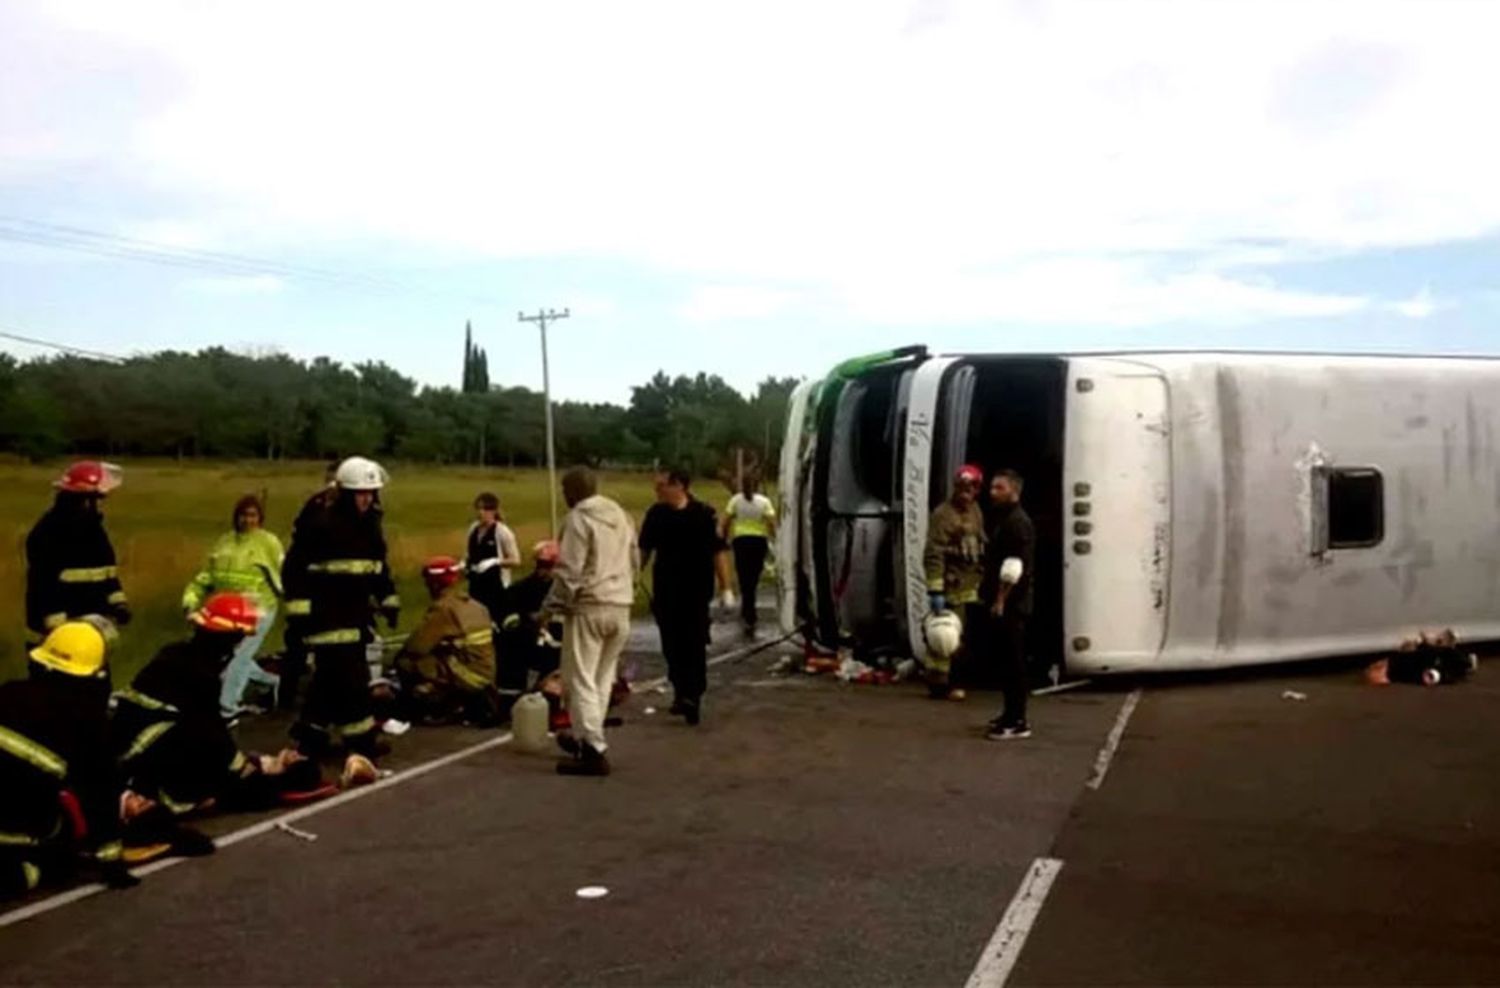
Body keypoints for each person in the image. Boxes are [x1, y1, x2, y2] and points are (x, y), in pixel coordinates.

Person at [113, 593, 324, 856]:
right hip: (147, 758)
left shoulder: (178, 655)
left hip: (138, 748)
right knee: (225, 770)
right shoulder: (199, 672)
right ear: (228, 638)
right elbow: (208, 730)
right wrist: (244, 770)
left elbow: (209, 733)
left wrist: (249, 765)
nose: (239, 645)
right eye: (239, 638)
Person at [0, 619, 138, 896]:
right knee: (60, 858)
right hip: (13, 829)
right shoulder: (86, 724)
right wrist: (111, 862)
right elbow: (99, 796)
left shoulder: (8, 692)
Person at [281, 456, 399, 776]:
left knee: (329, 679)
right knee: (352, 679)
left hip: (355, 614)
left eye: (372, 493)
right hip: (325, 617)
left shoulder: (370, 525)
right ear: (346, 493)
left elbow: (377, 566)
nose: (368, 499)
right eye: (361, 493)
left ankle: (310, 737)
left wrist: (388, 599)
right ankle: (361, 743)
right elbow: (294, 569)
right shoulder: (321, 523)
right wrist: (300, 613)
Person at [544, 467, 638, 777]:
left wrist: (549, 607)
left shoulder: (579, 519)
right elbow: (634, 559)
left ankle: (593, 749)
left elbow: (570, 569)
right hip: (620, 604)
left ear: (572, 491)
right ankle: (587, 737)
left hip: (589, 606)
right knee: (601, 678)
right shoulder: (621, 515)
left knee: (579, 678)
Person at [181, 494, 285, 721]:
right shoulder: (224, 541)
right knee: (227, 655)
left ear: (260, 518)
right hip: (226, 612)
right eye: (243, 515)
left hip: (257, 610)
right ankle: (273, 682)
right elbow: (206, 576)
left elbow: (284, 574)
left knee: (238, 654)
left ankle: (227, 708)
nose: (248, 520)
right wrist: (190, 601)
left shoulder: (268, 542)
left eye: (253, 515)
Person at [638, 468, 723, 726]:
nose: (658, 490)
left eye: (662, 485)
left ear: (679, 486)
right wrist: (632, 575)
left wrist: (726, 586)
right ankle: (680, 690)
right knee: (671, 644)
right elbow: (645, 550)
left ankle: (693, 695)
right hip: (666, 589)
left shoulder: (704, 514)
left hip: (696, 590)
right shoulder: (656, 515)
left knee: (694, 643)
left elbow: (717, 552)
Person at [25, 462, 131, 646]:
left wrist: (118, 605)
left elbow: (108, 573)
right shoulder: (49, 532)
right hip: (58, 631)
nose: (101, 505)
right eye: (98, 500)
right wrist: (58, 624)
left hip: (93, 628)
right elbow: (43, 584)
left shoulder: (94, 531)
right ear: (83, 501)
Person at [391, 557, 502, 727]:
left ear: (434, 584)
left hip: (468, 676)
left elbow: (416, 647)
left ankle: (432, 706)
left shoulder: (443, 609)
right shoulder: (477, 606)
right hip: (485, 674)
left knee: (406, 662)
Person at [276, 461, 341, 711]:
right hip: (305, 590)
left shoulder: (356, 510)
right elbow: (298, 546)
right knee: (296, 647)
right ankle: (286, 698)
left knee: (332, 649)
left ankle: (325, 697)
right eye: (330, 479)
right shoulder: (314, 506)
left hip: (332, 592)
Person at [922, 464, 988, 700]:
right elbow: (933, 553)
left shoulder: (975, 511)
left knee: (966, 638)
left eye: (970, 487)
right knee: (945, 636)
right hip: (951, 587)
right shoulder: (943, 514)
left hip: (973, 585)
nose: (965, 492)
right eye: (961, 487)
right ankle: (939, 683)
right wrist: (935, 588)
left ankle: (960, 680)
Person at [983, 469, 1037, 741]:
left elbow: (1015, 568)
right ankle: (1009, 713)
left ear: (1013, 491)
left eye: (999, 488)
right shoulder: (1007, 519)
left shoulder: (1017, 523)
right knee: (1006, 662)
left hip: (1012, 605)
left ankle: (1017, 720)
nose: (993, 492)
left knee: (1013, 662)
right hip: (1007, 602)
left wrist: (1000, 600)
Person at [496, 541, 564, 706]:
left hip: (562, 646)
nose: (543, 570)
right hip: (531, 643)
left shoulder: (567, 591)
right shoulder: (520, 589)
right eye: (541, 565)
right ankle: (511, 697)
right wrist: (529, 625)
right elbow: (507, 617)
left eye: (548, 566)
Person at [721, 474, 777, 637]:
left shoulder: (736, 501)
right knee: (754, 575)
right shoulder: (764, 502)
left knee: (744, 575)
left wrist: (723, 538)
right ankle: (749, 608)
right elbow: (772, 522)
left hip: (741, 541)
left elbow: (726, 521)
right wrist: (774, 538)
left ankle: (747, 608)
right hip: (758, 542)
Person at [465, 493, 521, 620]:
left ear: (493, 511)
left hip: (496, 587)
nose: (481, 512)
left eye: (485, 509)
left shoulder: (502, 531)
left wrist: (495, 562)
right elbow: (469, 553)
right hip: (476, 585)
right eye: (478, 509)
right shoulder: (473, 529)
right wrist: (465, 564)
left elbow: (516, 560)